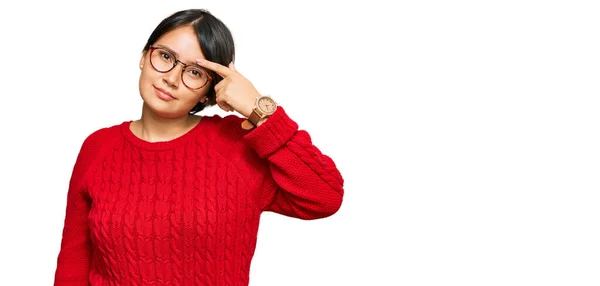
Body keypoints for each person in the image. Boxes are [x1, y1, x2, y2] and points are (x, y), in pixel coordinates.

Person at [53, 8, 344, 286]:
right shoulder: (99, 147)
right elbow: (72, 265)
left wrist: (260, 110)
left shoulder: (238, 145)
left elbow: (325, 196)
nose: (171, 78)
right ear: (144, 56)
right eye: (165, 56)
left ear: (210, 91)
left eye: (194, 72)